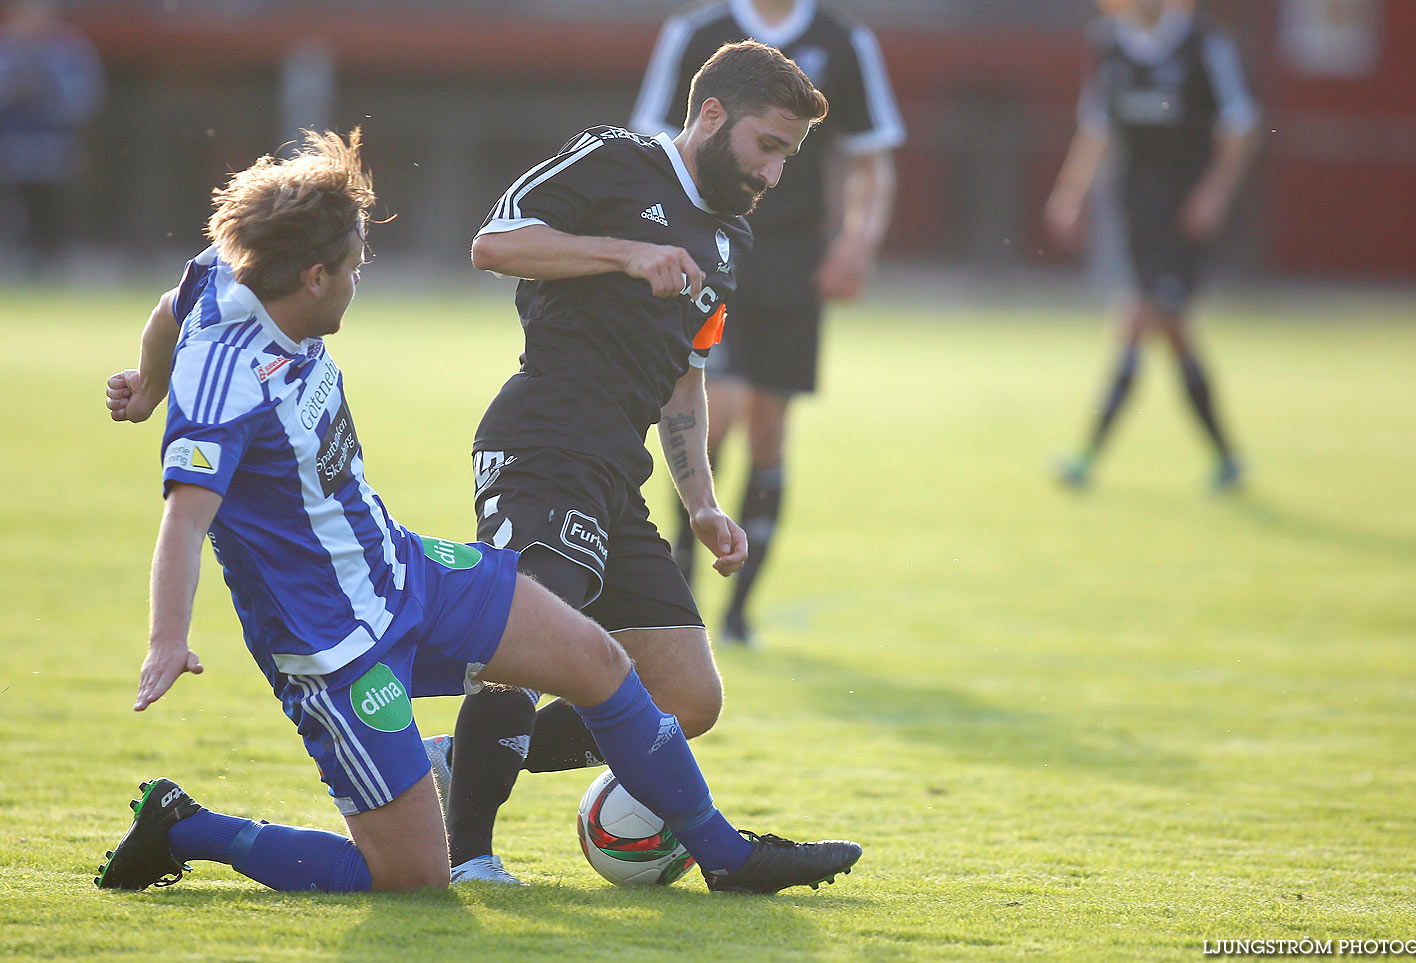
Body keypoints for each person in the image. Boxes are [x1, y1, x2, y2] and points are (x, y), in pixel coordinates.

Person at [95, 128, 860, 895]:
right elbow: (184, 520)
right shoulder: (228, 379)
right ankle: (186, 825)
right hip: (333, 641)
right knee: (410, 878)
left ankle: (728, 855)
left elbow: (171, 305)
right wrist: (167, 639)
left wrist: (147, 380)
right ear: (316, 275)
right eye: (357, 268)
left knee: (597, 660)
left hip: (404, 568)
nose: (361, 283)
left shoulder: (222, 277)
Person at [422, 40, 831, 885]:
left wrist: (705, 500)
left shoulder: (730, 241)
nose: (773, 174)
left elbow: (685, 374)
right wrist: (621, 250)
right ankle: (469, 859)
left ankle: (458, 755)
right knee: (522, 648)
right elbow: (493, 244)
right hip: (540, 443)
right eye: (768, 146)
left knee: (689, 699)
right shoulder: (615, 159)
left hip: (619, 474)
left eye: (788, 157)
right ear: (712, 114)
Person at [632, 0, 904, 643]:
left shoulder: (842, 41)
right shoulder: (697, 34)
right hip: (713, 248)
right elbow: (652, 144)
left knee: (770, 433)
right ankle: (684, 588)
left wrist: (857, 243)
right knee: (711, 414)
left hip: (794, 261)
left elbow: (871, 160)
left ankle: (739, 612)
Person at [1045, 0, 1257, 491]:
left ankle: (1086, 458)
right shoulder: (1110, 43)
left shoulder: (1203, 41)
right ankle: (1228, 459)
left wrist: (1214, 194)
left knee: (1140, 317)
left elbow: (1241, 125)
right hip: (1135, 209)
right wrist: (1070, 193)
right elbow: (1096, 126)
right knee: (1171, 328)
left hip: (1185, 215)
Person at [0, 0, 104, 275]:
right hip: (12, 140)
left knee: (52, 203)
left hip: (54, 140)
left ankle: (52, 259)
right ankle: (18, 257)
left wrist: (46, 91)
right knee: (16, 203)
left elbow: (84, 96)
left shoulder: (68, 48)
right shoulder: (6, 47)